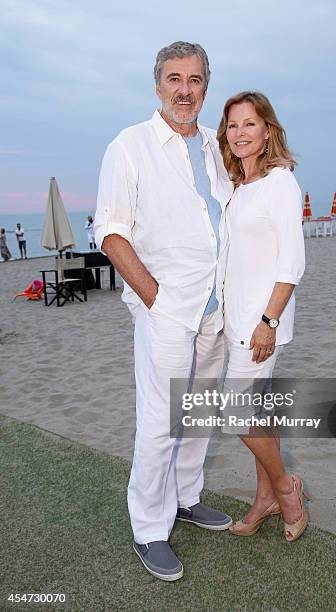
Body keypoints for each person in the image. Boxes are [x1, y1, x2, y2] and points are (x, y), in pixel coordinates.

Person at [95, 41, 233, 582]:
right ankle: (149, 527)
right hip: (166, 309)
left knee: (198, 412)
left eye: (194, 79)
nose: (184, 89)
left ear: (205, 86)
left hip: (215, 308)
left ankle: (186, 496)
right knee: (159, 422)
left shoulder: (214, 147)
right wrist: (152, 295)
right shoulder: (129, 146)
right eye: (173, 78)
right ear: (157, 85)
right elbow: (109, 230)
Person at [216, 91, 308, 542]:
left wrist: (268, 322)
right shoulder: (239, 186)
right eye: (232, 126)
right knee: (258, 414)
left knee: (235, 413)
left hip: (260, 325)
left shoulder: (280, 182)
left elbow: (292, 263)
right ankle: (264, 498)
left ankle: (287, 490)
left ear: (267, 130)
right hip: (234, 321)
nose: (240, 133)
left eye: (249, 124)